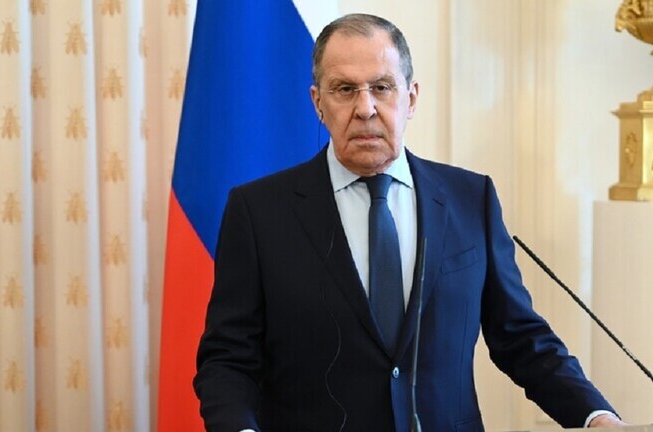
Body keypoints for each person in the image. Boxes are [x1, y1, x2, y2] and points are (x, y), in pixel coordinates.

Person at [194, 13, 626, 432]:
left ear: (411, 98)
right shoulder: (259, 211)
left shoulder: (470, 199)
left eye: (382, 87)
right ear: (318, 103)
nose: (365, 108)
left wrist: (595, 415)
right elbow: (228, 358)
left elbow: (521, 338)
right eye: (344, 89)